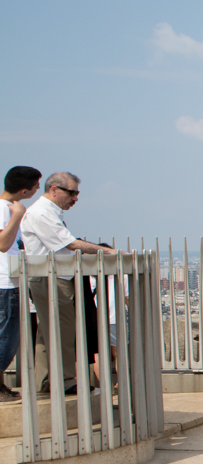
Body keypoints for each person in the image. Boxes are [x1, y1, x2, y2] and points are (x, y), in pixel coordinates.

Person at [21, 172, 116, 395]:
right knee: (62, 331)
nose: (75, 199)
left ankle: (44, 381)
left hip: (50, 277)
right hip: (52, 279)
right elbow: (70, 244)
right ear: (55, 189)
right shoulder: (42, 213)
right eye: (71, 193)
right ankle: (64, 381)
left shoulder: (48, 212)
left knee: (47, 332)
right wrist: (108, 251)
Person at [0, 166, 41, 401]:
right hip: (5, 282)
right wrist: (17, 215)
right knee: (7, 336)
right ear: (24, 190)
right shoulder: (5, 209)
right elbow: (3, 244)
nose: (37, 189)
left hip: (10, 281)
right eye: (36, 186)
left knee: (8, 335)